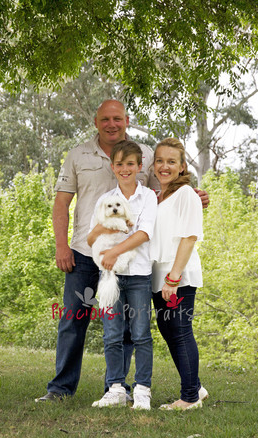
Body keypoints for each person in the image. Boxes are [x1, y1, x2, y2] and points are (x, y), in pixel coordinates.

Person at [35, 99, 209, 402]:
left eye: (117, 118)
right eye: (105, 119)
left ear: (126, 120)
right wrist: (61, 245)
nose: (111, 124)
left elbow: (167, 188)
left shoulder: (143, 154)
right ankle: (60, 389)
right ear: (96, 121)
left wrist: (193, 195)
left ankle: (118, 388)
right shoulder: (78, 155)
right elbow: (61, 202)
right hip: (84, 252)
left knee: (128, 327)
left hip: (132, 259)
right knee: (73, 320)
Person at [87, 140, 157, 410]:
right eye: (120, 164)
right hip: (109, 274)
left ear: (140, 166)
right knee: (112, 334)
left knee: (141, 334)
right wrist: (108, 238)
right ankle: (116, 388)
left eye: (131, 164)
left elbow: (144, 233)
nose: (125, 169)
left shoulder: (148, 197)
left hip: (138, 274)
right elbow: (91, 235)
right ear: (113, 167)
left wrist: (115, 250)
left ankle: (142, 390)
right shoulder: (105, 199)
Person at [150, 137, 208, 410]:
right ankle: (196, 387)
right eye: (160, 160)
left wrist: (173, 278)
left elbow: (189, 237)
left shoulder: (186, 194)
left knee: (181, 331)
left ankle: (189, 398)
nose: (164, 166)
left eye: (171, 162)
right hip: (158, 274)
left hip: (177, 276)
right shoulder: (159, 197)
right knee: (168, 329)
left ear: (182, 166)